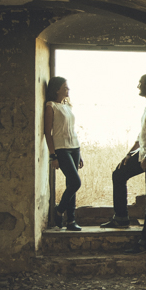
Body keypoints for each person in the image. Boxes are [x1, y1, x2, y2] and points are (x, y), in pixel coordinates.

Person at [100, 73, 146, 254]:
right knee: (119, 174)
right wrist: (130, 154)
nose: (137, 86)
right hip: (145, 153)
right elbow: (144, 134)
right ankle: (121, 217)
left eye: (140, 84)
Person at [44, 77, 84, 231]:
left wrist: (79, 154)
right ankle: (59, 210)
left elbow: (71, 130)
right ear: (56, 89)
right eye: (65, 87)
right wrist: (53, 156)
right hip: (61, 148)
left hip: (74, 147)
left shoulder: (67, 106)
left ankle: (71, 220)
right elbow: (48, 133)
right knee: (75, 182)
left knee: (71, 185)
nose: (68, 90)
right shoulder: (51, 106)